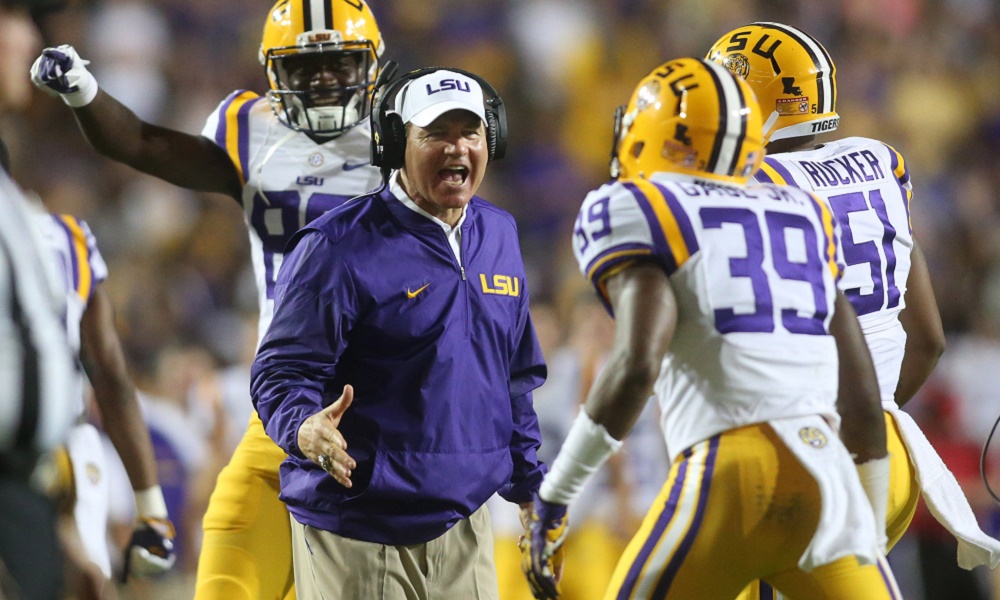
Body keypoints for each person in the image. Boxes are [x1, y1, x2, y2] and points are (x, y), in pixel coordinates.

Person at [30, 0, 386, 597]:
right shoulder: (254, 130)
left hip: (393, 411)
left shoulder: (409, 132)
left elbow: (483, 156)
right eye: (306, 68)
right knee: (226, 579)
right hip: (288, 408)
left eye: (340, 62)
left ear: (373, 65)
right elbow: (144, 144)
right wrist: (84, 90)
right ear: (273, 73)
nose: (324, 81)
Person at [523, 57, 901, 599]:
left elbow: (635, 366)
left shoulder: (641, 205)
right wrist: (864, 524)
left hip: (727, 469)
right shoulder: (804, 210)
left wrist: (556, 496)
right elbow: (862, 395)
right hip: (827, 472)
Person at [706, 21, 1000, 599]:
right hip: (891, 458)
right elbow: (930, 338)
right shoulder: (881, 162)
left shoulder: (747, 187)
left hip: (799, 460)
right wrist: (875, 411)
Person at [250, 66, 547, 600]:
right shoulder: (336, 246)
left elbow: (512, 376)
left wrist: (530, 488)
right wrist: (302, 428)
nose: (457, 147)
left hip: (465, 526)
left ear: (491, 139)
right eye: (435, 133)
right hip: (358, 527)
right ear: (394, 142)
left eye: (471, 132)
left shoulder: (500, 233)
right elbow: (279, 372)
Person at [33, 211, 176, 582]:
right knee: (83, 583)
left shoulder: (64, 236)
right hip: (60, 444)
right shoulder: (62, 237)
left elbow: (111, 374)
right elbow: (111, 373)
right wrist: (151, 511)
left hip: (51, 446)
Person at [0, 1, 82, 597]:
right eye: (8, 13)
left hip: (22, 489)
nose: (29, 35)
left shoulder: (10, 186)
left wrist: (54, 523)